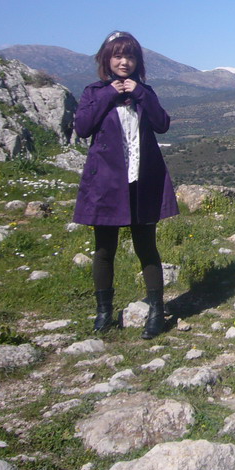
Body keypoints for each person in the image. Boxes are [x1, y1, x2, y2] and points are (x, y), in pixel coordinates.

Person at [73, 31, 179, 338]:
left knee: (147, 247)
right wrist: (110, 93)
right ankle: (104, 311)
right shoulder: (94, 91)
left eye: (130, 56)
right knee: (104, 249)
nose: (124, 61)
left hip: (142, 182)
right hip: (106, 184)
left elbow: (162, 125)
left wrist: (142, 93)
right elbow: (82, 127)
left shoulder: (144, 92)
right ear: (106, 59)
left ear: (137, 61)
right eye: (118, 55)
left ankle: (157, 312)